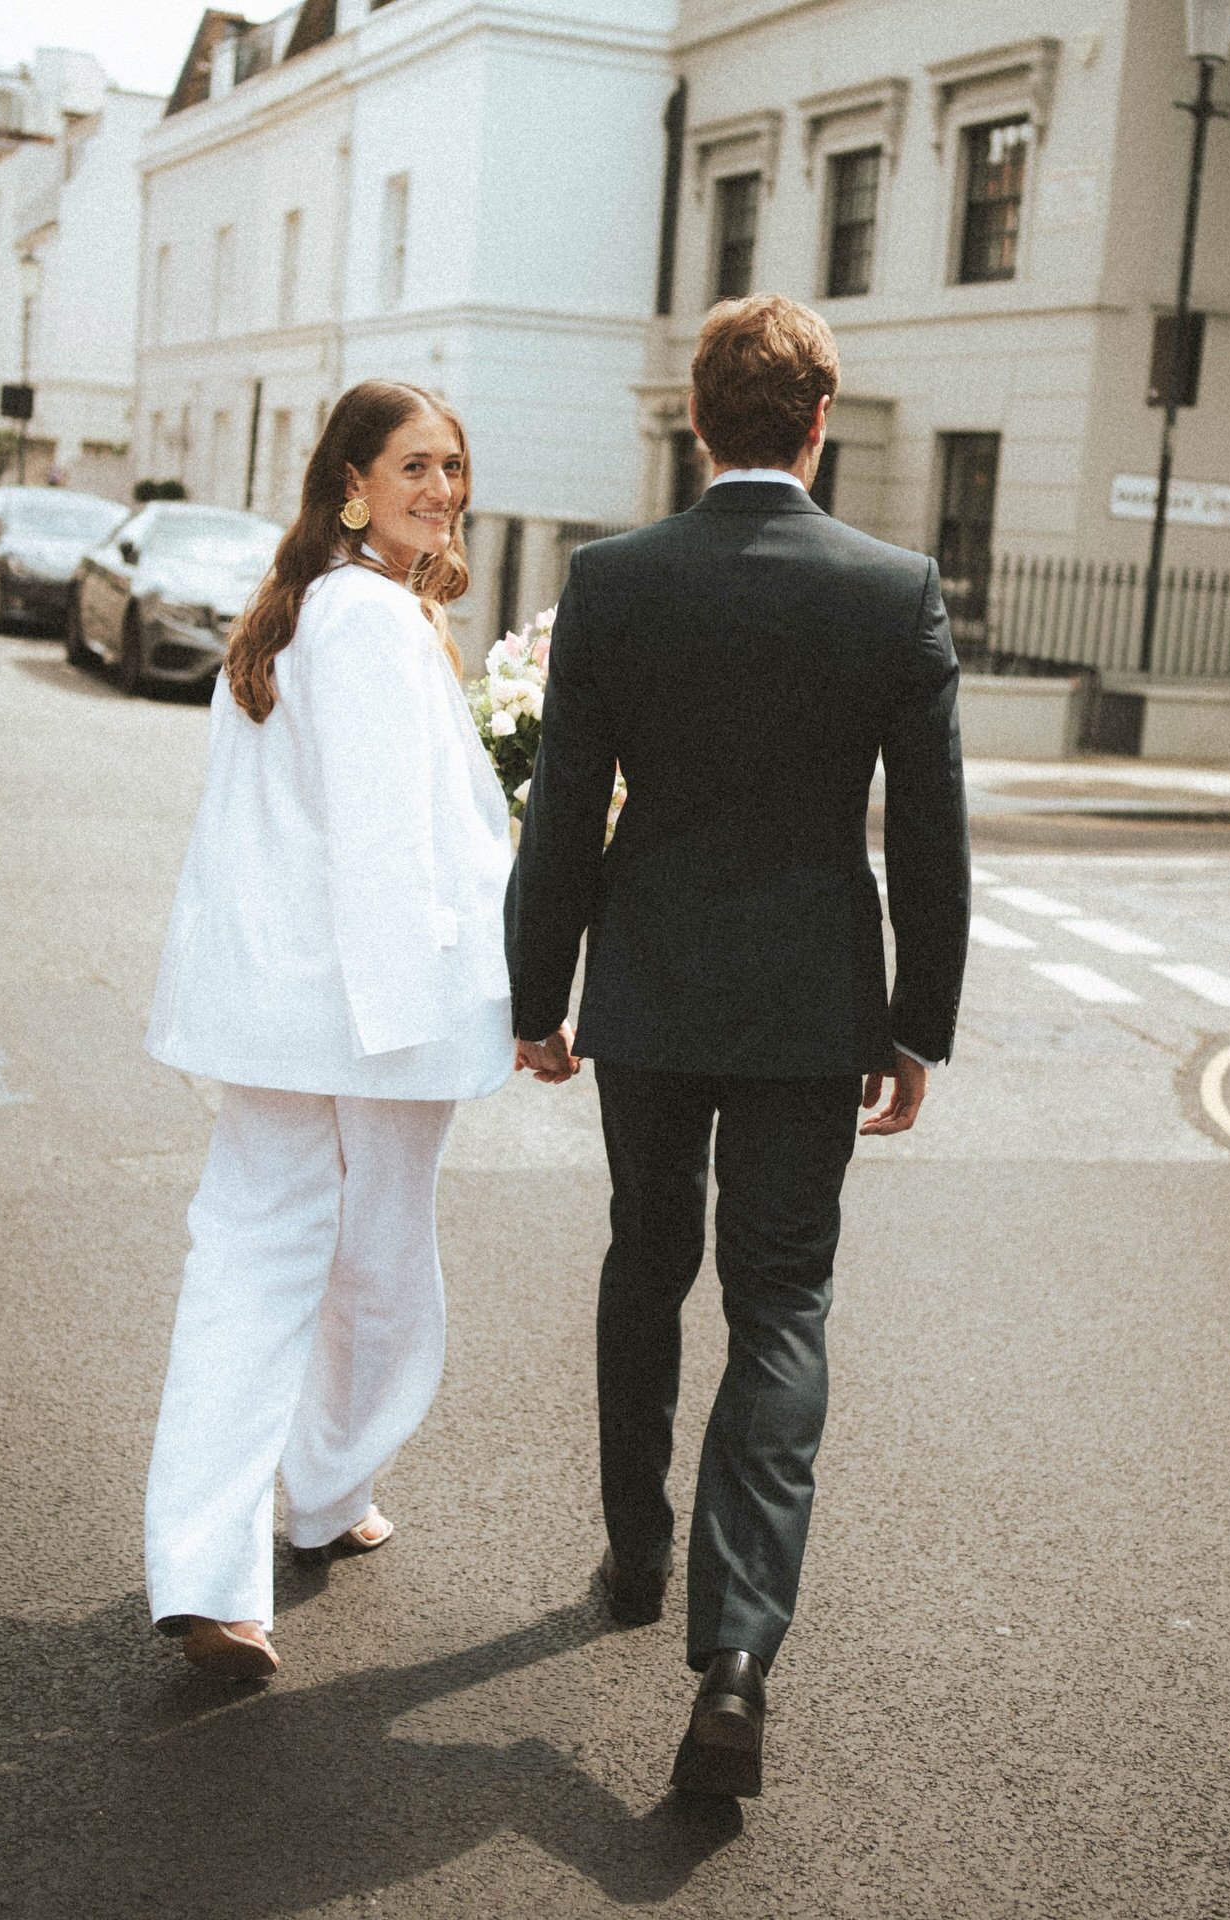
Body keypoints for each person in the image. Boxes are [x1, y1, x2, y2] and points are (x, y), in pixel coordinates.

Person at [506, 294, 970, 1796]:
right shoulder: (892, 590)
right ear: (819, 423)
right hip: (808, 1004)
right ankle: (739, 1656)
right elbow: (938, 842)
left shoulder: (616, 583)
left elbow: (565, 814)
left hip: (646, 988)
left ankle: (636, 1554)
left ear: (698, 421)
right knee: (781, 1303)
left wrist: (538, 993)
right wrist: (917, 1024)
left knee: (650, 1254)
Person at [143, 380, 535, 1679]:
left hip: (267, 1011)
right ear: (353, 482)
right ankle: (317, 1495)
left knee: (246, 1272)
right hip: (373, 1012)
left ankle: (214, 1570)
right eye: (415, 464)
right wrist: (489, 1003)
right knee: (378, 1270)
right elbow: (386, 851)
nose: (441, 487)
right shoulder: (370, 623)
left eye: (455, 465)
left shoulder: (300, 610)